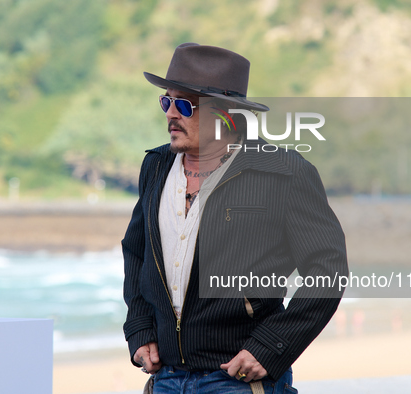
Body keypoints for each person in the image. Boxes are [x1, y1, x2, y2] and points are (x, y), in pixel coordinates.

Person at [122, 43, 348, 393]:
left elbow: (327, 271)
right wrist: (139, 328)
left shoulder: (284, 173)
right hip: (164, 378)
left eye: (185, 105)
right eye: (166, 101)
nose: (170, 114)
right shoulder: (155, 166)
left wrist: (271, 347)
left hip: (237, 379)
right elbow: (136, 253)